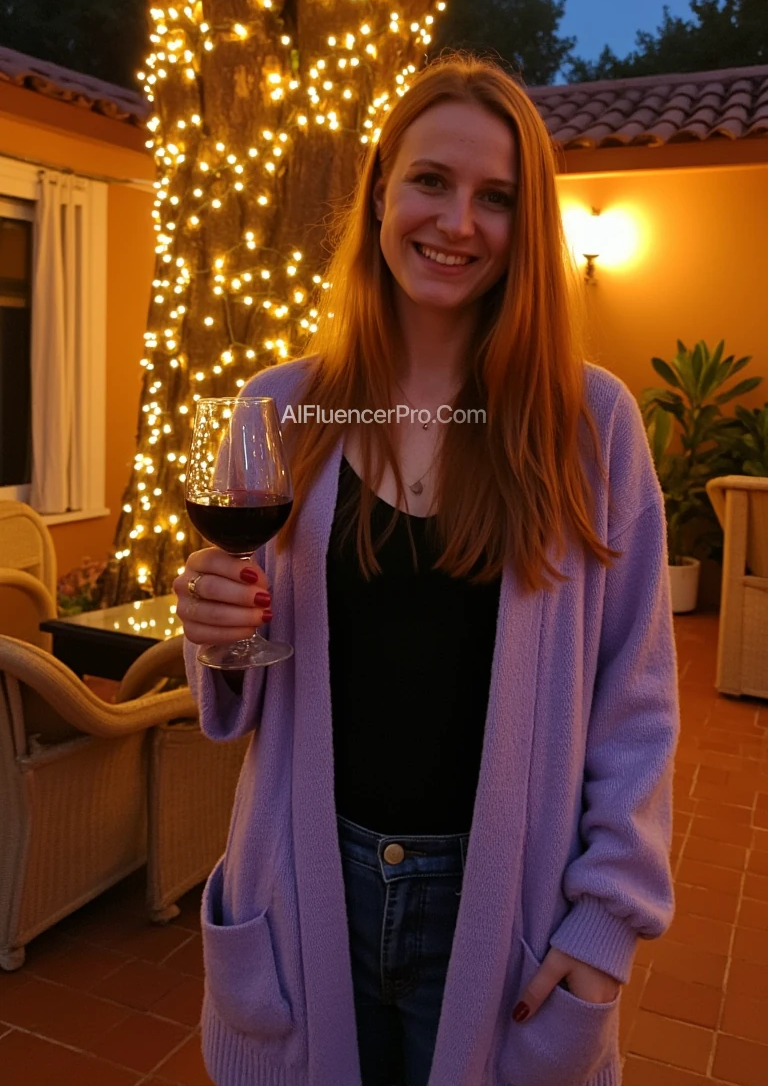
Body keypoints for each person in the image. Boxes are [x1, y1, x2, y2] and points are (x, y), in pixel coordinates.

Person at [174, 54, 680, 1086]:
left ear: (526, 225)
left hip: (506, 911)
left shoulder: (588, 426)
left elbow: (637, 697)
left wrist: (602, 935)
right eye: (430, 181)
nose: (458, 222)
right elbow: (237, 688)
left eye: (496, 197)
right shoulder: (283, 410)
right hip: (310, 896)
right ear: (379, 193)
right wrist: (218, 635)